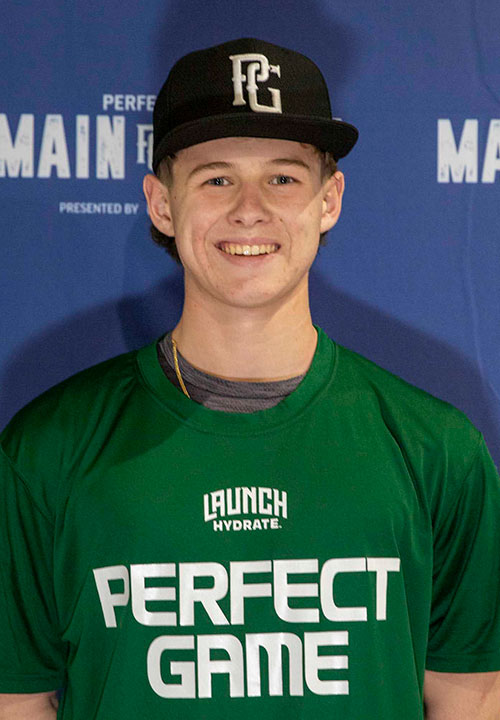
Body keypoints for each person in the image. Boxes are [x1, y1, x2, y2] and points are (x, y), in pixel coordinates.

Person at [1, 37, 499, 720]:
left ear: (329, 200)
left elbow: (471, 697)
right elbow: (17, 699)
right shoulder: (48, 449)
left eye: (283, 178)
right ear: (161, 203)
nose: (249, 208)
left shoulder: (438, 449)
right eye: (216, 178)